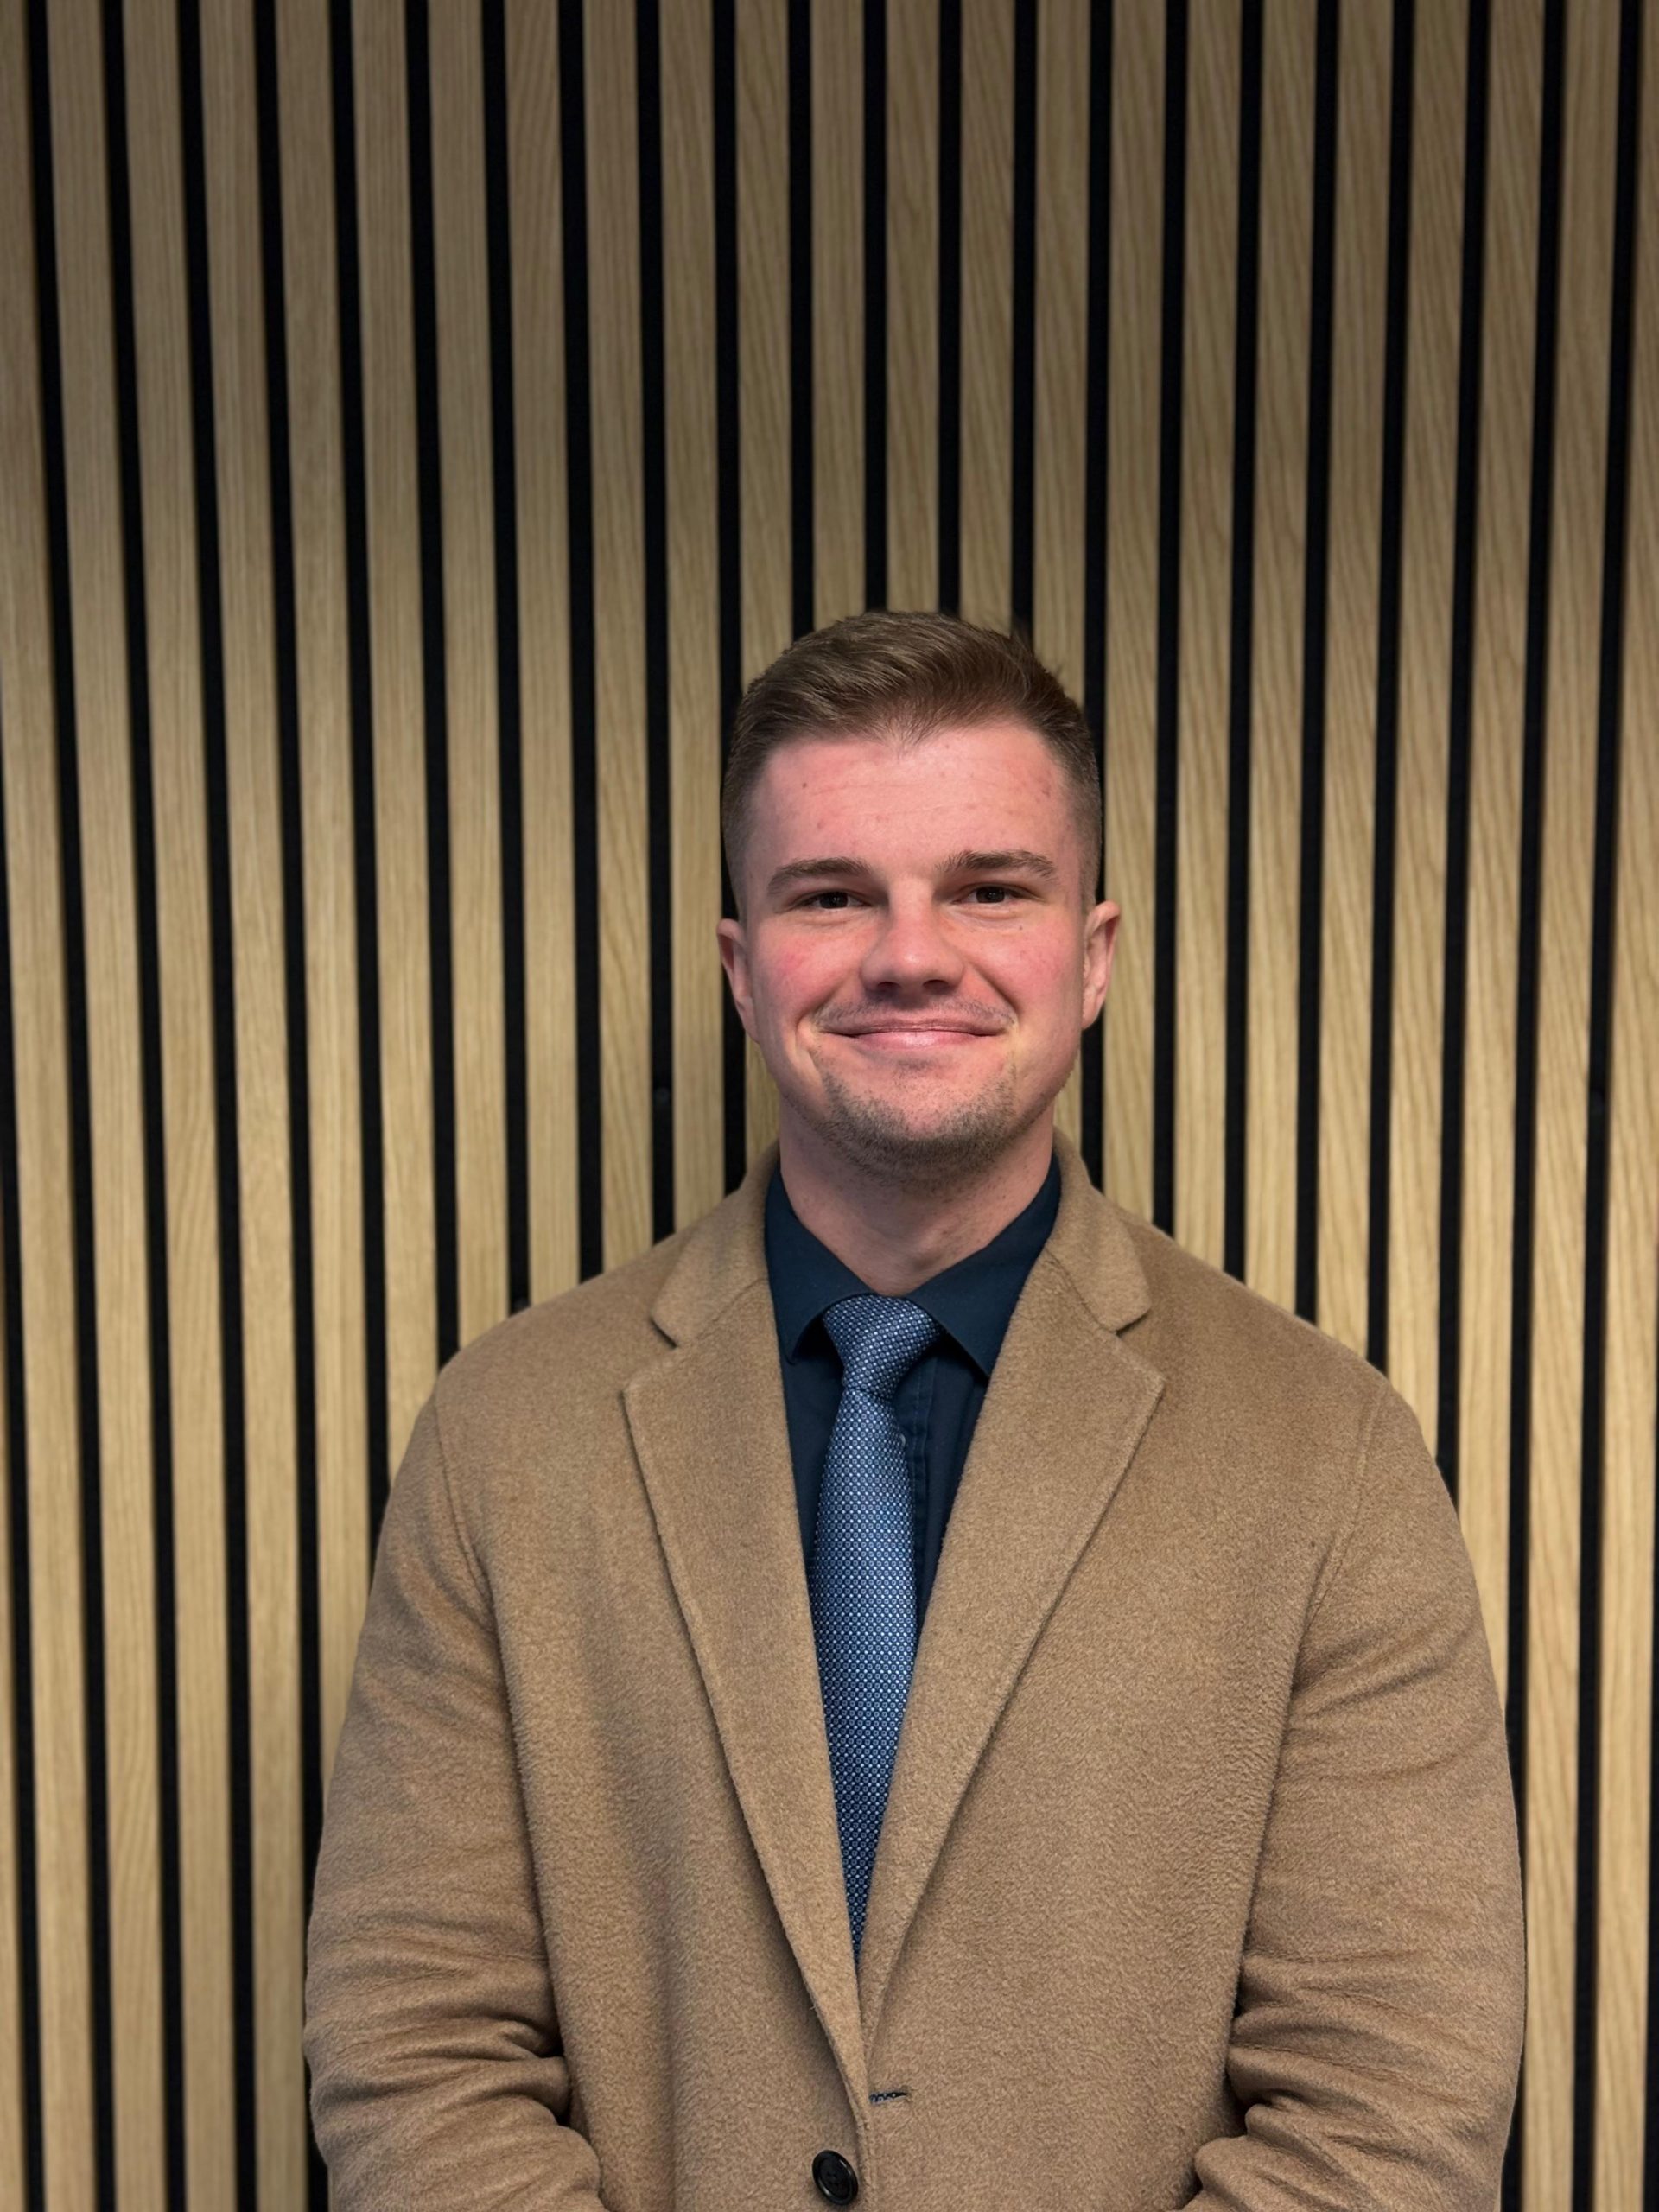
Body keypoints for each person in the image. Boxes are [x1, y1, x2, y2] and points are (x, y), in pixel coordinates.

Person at [305, 611, 1524, 2209]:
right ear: (742, 968)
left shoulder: (1327, 1454)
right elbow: (411, 2048)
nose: (910, 955)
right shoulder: (502, 1439)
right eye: (831, 895)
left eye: (989, 889)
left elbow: (1393, 2101)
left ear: (1092, 955)